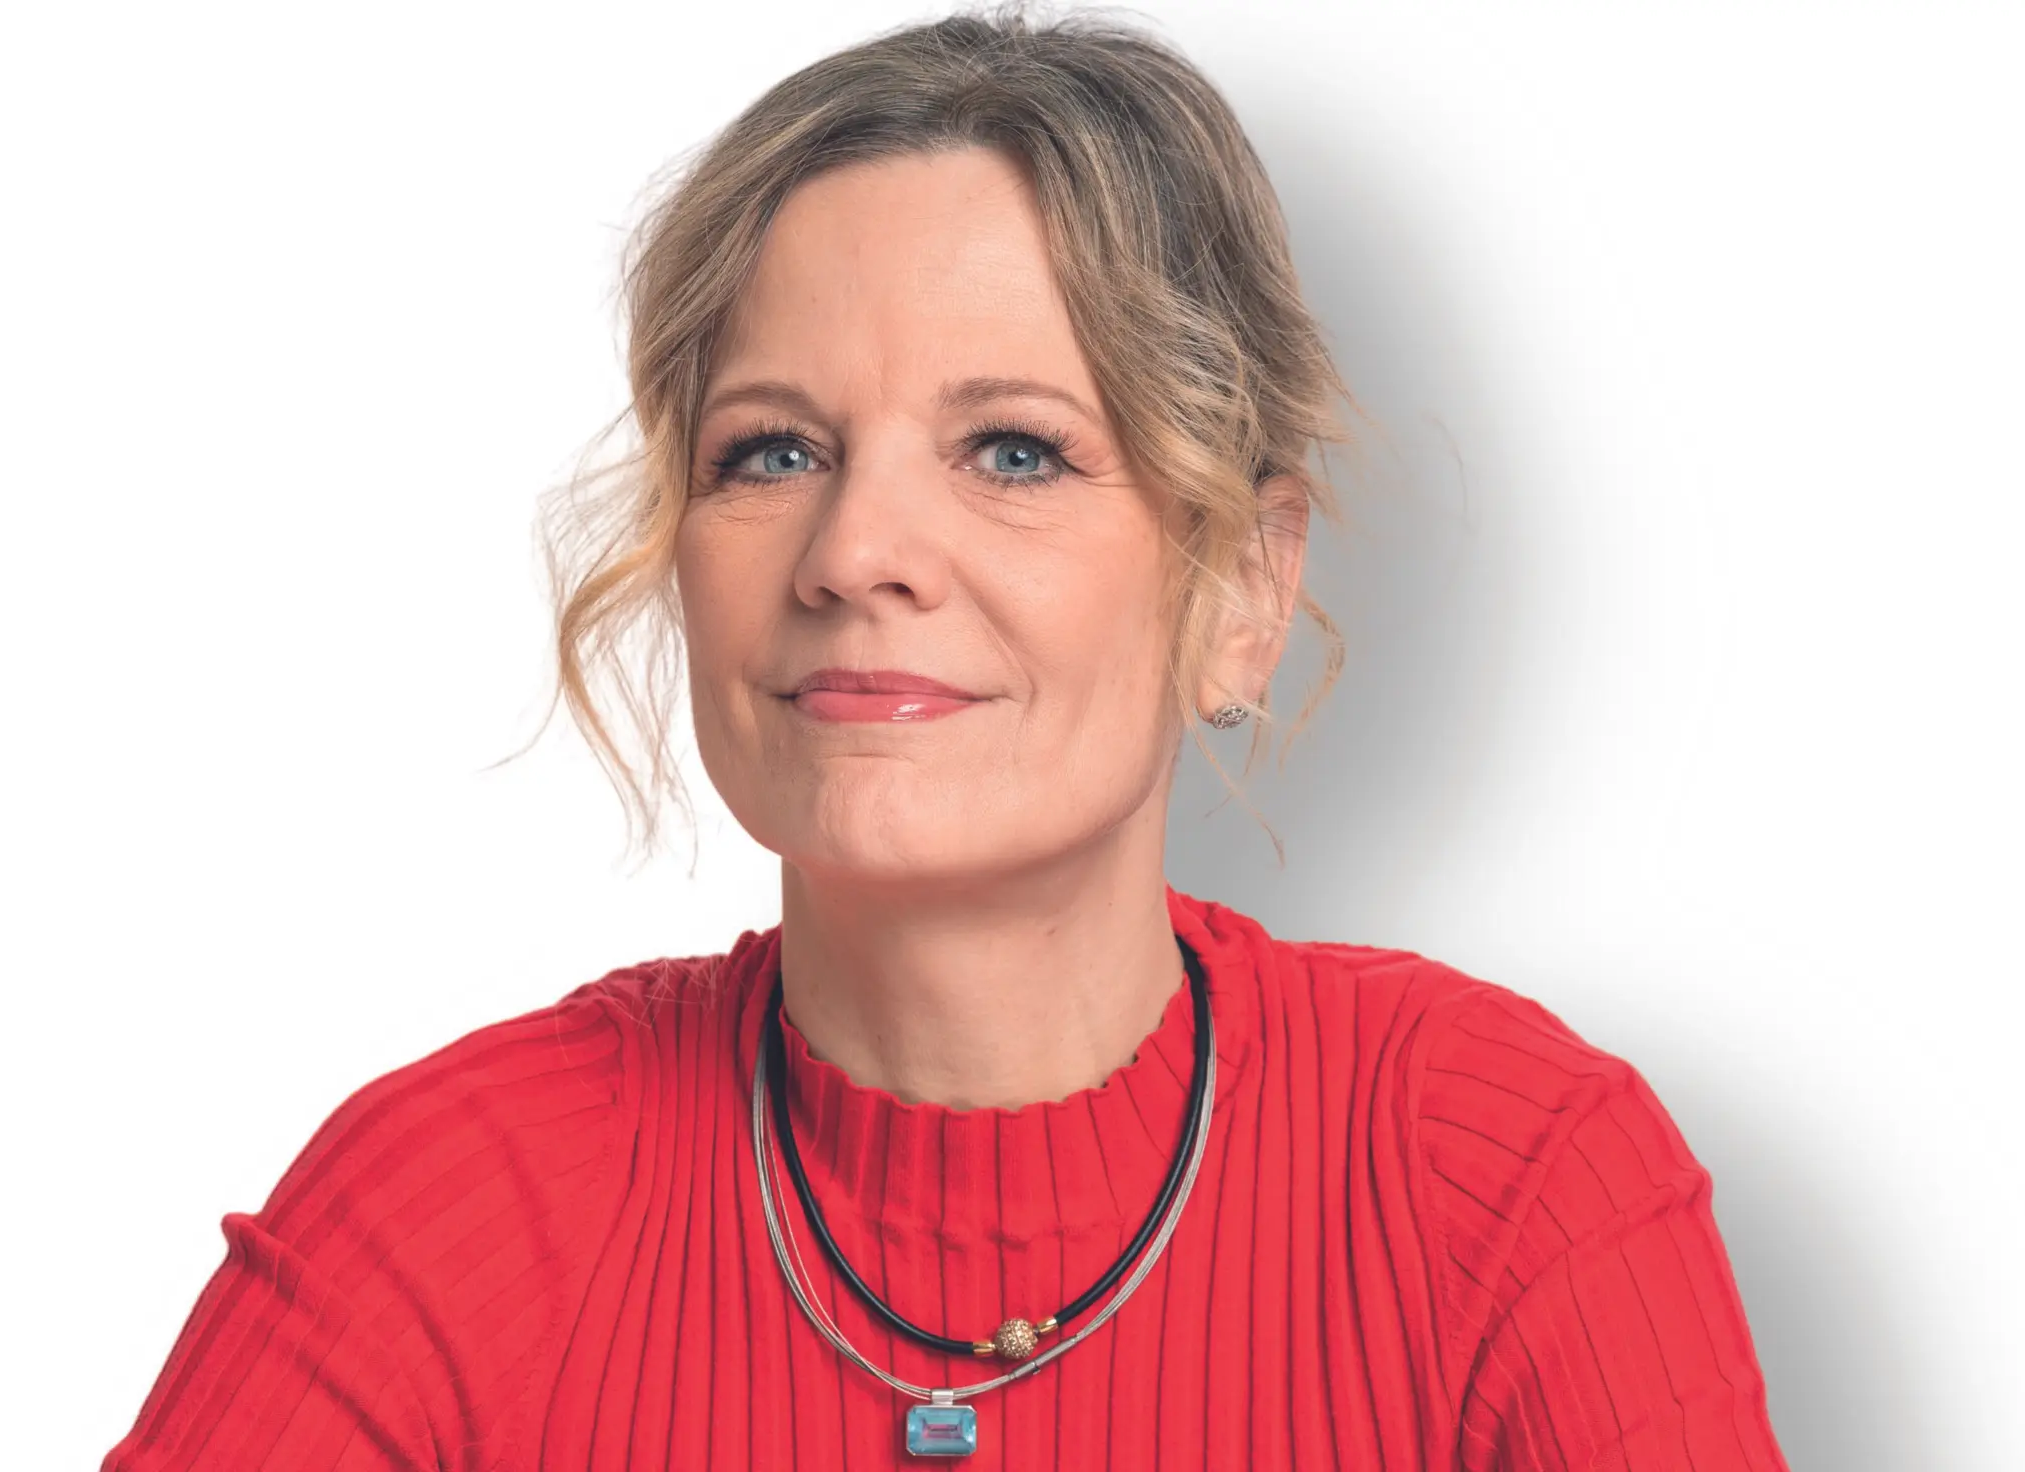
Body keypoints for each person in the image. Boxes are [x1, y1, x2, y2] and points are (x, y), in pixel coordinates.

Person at [103, 10, 1790, 1469]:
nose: (854, 553)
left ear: (1244, 589)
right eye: (771, 453)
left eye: (1014, 452)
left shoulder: (1507, 1182)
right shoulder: (446, 1212)